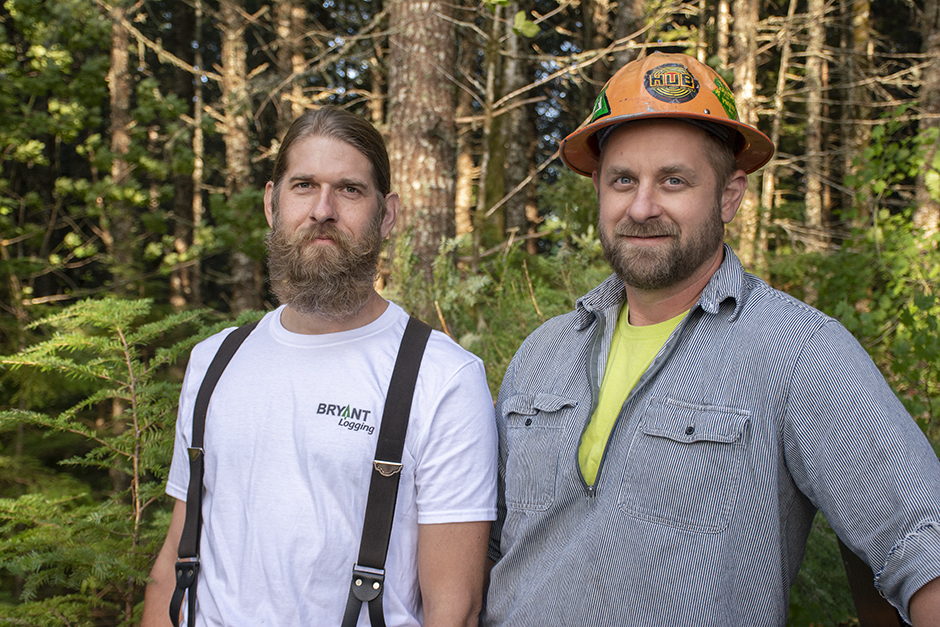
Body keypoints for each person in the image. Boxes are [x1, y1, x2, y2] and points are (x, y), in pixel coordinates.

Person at [483, 52, 940, 626]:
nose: (642, 207)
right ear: (598, 188)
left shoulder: (798, 351)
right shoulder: (543, 354)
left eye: (674, 180)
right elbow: (489, 547)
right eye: (624, 180)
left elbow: (920, 544)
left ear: (729, 195)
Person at [141, 106, 497, 627]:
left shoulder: (442, 379)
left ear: (388, 213)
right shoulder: (214, 362)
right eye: (303, 185)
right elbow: (177, 556)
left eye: (350, 190)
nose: (322, 210)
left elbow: (455, 609)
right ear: (272, 202)